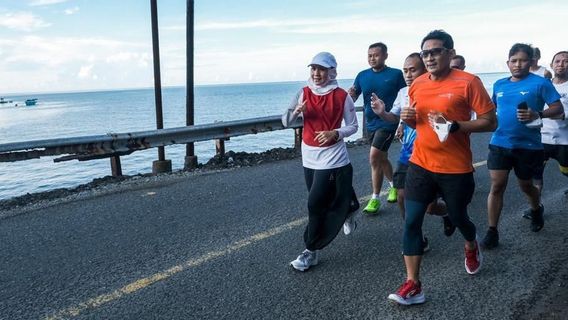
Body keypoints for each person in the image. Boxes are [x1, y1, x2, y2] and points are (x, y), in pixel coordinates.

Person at [387, 30, 497, 306]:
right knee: (412, 221)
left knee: (460, 218)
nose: (430, 57)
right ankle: (414, 284)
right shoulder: (418, 84)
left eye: (436, 51)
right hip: (420, 164)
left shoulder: (468, 82)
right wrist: (409, 120)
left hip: (455, 168)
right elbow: (419, 123)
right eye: (425, 53)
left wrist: (456, 125)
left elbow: (490, 121)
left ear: (450, 53)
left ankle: (471, 244)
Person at [282, 52, 359, 271]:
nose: (317, 74)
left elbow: (353, 126)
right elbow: (286, 121)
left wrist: (335, 133)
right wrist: (296, 111)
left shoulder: (342, 96)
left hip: (333, 157)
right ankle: (351, 207)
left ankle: (310, 251)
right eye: (313, 69)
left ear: (331, 72)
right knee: (322, 197)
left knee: (314, 203)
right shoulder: (303, 92)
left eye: (322, 69)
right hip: (309, 156)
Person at [482, 44, 563, 250]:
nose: (518, 64)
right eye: (514, 60)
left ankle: (536, 209)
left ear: (531, 62)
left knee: (526, 186)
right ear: (508, 62)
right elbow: (492, 109)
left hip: (529, 146)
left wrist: (538, 114)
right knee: (497, 185)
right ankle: (492, 231)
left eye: (523, 60)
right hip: (500, 142)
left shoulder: (540, 83)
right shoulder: (499, 84)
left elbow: (557, 107)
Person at [369, 52, 451, 247]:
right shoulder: (403, 93)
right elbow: (393, 117)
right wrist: (383, 113)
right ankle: (415, 236)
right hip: (408, 155)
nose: (407, 74)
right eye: (405, 70)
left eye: (412, 70)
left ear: (424, 69)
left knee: (430, 207)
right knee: (401, 197)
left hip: (432, 155)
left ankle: (447, 213)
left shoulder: (437, 90)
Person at [349, 42, 406, 214]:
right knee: (382, 158)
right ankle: (394, 186)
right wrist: (349, 96)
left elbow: (407, 98)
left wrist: (402, 123)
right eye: (369, 55)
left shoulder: (396, 74)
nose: (372, 58)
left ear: (385, 56)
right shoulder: (362, 75)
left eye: (376, 55)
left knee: (374, 157)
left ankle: (374, 199)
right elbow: (353, 97)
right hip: (370, 124)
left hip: (388, 122)